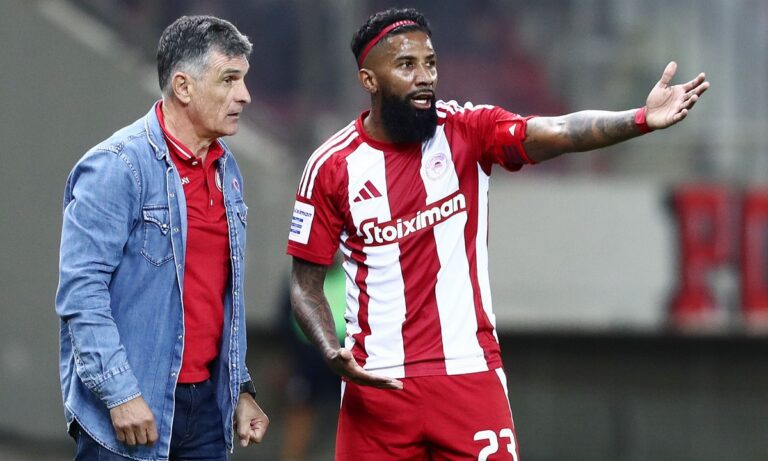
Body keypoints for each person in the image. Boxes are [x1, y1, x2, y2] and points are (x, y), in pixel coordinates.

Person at [286, 7, 709, 461]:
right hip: (377, 383)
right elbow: (305, 285)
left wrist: (639, 119)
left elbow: (557, 130)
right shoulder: (331, 166)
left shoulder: (467, 129)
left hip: (469, 374)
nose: (425, 77)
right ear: (369, 80)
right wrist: (329, 350)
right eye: (407, 65)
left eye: (430, 63)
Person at [56, 15, 269, 460]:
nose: (244, 95)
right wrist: (120, 393)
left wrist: (240, 387)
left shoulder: (227, 169)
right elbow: (81, 293)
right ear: (183, 87)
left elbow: (215, 294)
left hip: (206, 410)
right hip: (130, 412)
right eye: (229, 79)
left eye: (243, 79)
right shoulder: (116, 166)